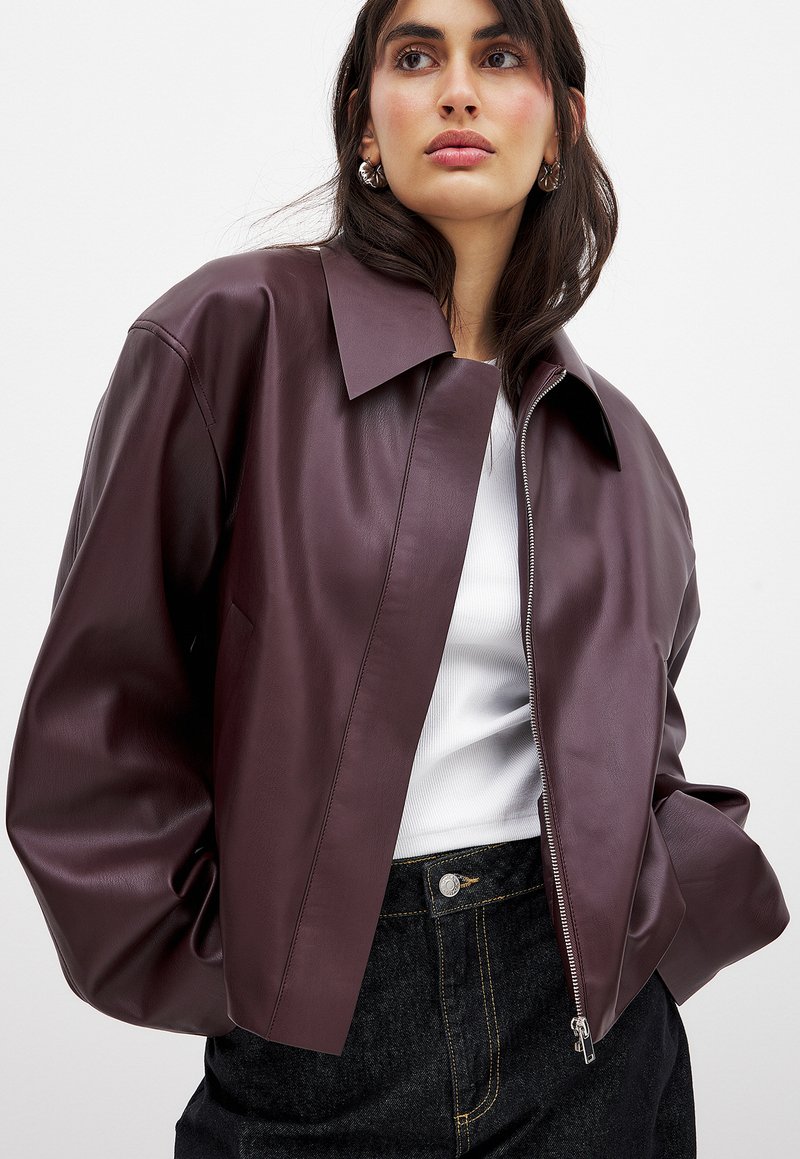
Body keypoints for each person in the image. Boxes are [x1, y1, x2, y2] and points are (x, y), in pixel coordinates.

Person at [6, 1, 790, 1156]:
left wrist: (674, 923)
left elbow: (640, 752)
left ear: (562, 128)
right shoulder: (230, 333)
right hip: (320, 1048)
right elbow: (99, 704)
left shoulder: (612, 444)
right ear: (365, 124)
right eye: (415, 55)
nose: (456, 88)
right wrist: (239, 970)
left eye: (500, 55)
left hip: (590, 1048)